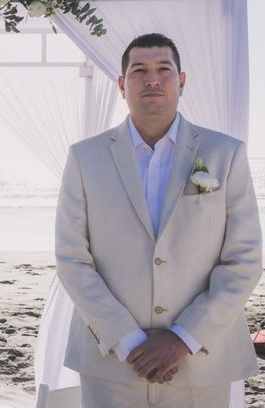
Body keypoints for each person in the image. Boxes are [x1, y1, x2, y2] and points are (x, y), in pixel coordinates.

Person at [55, 33, 262, 408]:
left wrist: (184, 338)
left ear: (181, 81)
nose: (152, 79)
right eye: (140, 70)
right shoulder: (85, 157)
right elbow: (72, 258)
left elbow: (244, 259)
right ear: (122, 84)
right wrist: (128, 341)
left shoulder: (226, 154)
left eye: (164, 69)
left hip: (202, 363)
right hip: (112, 364)